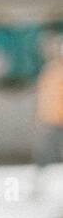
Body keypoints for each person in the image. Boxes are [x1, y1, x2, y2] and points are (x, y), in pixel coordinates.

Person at [32, 34, 63, 200]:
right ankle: (37, 187)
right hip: (50, 119)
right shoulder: (50, 70)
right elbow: (43, 96)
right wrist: (39, 119)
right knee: (44, 155)